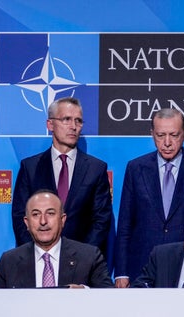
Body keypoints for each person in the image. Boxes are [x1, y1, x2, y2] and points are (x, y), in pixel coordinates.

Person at [114, 108, 184, 287]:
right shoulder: (136, 168)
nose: (167, 142)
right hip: (142, 265)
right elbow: (126, 224)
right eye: (160, 135)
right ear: (152, 134)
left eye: (173, 135)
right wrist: (121, 272)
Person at [12, 97, 113, 257]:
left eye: (78, 121)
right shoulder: (30, 168)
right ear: (50, 124)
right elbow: (20, 217)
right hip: (37, 261)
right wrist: (36, 255)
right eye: (66, 119)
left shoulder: (96, 169)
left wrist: (82, 259)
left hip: (81, 263)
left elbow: (101, 221)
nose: (73, 127)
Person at [0, 190, 113, 288]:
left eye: (50, 213)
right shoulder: (8, 262)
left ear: (62, 220)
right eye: (36, 214)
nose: (43, 221)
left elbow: (110, 301)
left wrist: (85, 293)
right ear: (27, 222)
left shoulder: (90, 257)